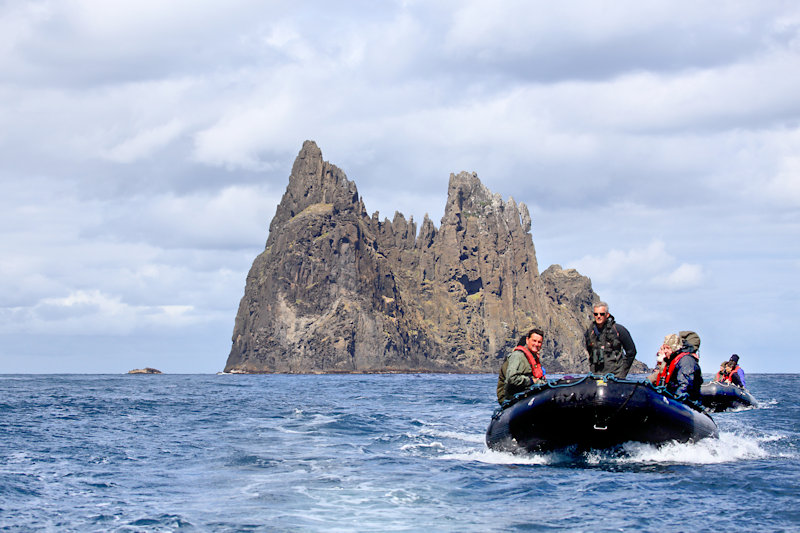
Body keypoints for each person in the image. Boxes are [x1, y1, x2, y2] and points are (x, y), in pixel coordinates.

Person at [585, 301, 637, 378]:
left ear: (607, 315)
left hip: (615, 376)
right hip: (596, 376)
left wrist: (622, 374)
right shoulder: (590, 332)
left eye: (602, 314)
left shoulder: (619, 330)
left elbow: (631, 352)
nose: (599, 316)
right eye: (596, 314)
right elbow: (590, 352)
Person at [496, 328, 547, 404]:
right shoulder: (517, 356)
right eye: (534, 341)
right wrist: (531, 380)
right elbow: (511, 378)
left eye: (539, 342)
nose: (536, 344)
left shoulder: (534, 358)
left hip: (527, 395)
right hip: (510, 398)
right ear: (527, 340)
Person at [654, 332, 703, 401]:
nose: (665, 351)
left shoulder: (686, 361)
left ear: (673, 348)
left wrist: (676, 397)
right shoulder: (670, 361)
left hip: (685, 402)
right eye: (664, 348)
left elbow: (685, 385)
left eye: (667, 348)